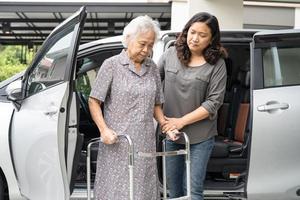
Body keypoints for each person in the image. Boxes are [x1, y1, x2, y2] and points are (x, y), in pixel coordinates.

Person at [88, 15, 166, 200]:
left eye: (150, 45)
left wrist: (164, 124)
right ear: (128, 38)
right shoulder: (112, 65)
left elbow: (156, 103)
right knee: (116, 192)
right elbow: (94, 101)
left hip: (145, 142)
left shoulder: (152, 68)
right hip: (117, 143)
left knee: (142, 191)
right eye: (142, 44)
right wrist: (104, 130)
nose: (146, 50)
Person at [158, 12, 227, 200]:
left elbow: (214, 102)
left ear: (212, 39)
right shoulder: (170, 54)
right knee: (174, 192)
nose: (195, 38)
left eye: (202, 35)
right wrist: (165, 123)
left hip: (201, 137)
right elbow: (152, 88)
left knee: (193, 191)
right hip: (171, 133)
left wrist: (181, 121)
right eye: (192, 32)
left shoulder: (217, 65)